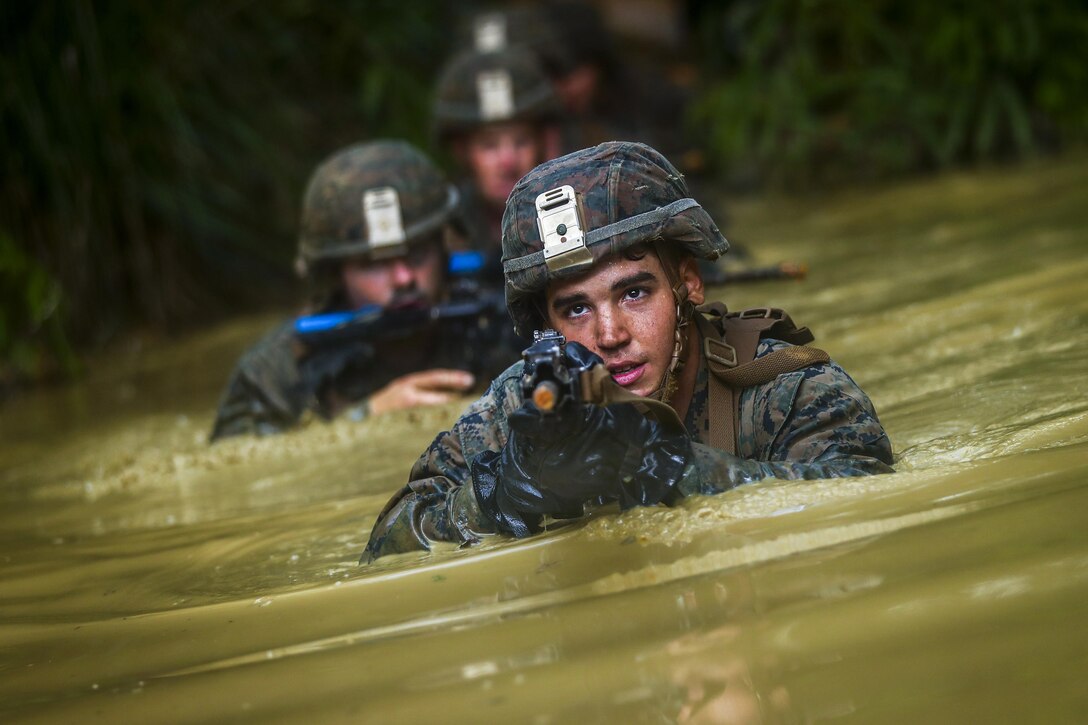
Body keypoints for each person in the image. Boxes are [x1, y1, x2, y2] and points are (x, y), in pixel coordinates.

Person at [363, 141, 893, 560]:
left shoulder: (785, 389)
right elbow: (385, 545)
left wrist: (674, 470)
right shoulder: (524, 406)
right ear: (545, 324)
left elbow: (868, 497)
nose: (610, 333)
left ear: (688, 282)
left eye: (633, 293)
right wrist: (503, 496)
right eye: (575, 310)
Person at [210, 140, 521, 441]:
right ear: (335, 273)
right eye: (373, 265)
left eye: (416, 254)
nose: (403, 278)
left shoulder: (501, 323)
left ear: (443, 250)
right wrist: (363, 420)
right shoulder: (279, 369)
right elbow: (231, 463)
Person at [432, 46, 563, 276]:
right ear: (461, 151)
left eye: (522, 141)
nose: (508, 162)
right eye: (489, 145)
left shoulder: (569, 210)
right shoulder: (444, 230)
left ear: (544, 144)